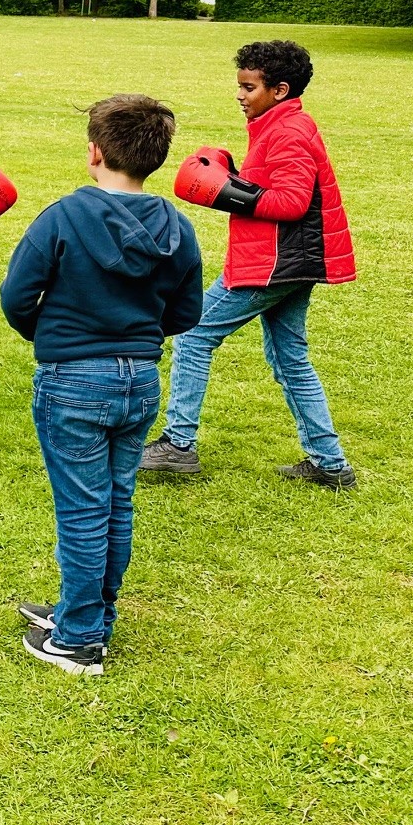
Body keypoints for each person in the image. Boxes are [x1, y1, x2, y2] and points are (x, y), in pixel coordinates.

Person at [0, 95, 204, 676]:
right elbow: (185, 311)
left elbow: (17, 297)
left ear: (93, 151)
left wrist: (59, 336)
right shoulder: (179, 228)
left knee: (85, 509)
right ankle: (86, 611)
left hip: (74, 383)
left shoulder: (61, 218)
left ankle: (81, 637)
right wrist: (135, 335)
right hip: (139, 381)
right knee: (114, 502)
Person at [141, 40, 358, 489]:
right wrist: (237, 179)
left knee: (196, 334)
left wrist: (224, 190)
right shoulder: (281, 123)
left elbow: (293, 202)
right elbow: (277, 186)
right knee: (290, 359)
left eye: (248, 87)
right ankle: (331, 465)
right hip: (291, 259)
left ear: (279, 90)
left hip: (275, 262)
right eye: (239, 85)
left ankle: (178, 446)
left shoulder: (288, 131)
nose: (239, 95)